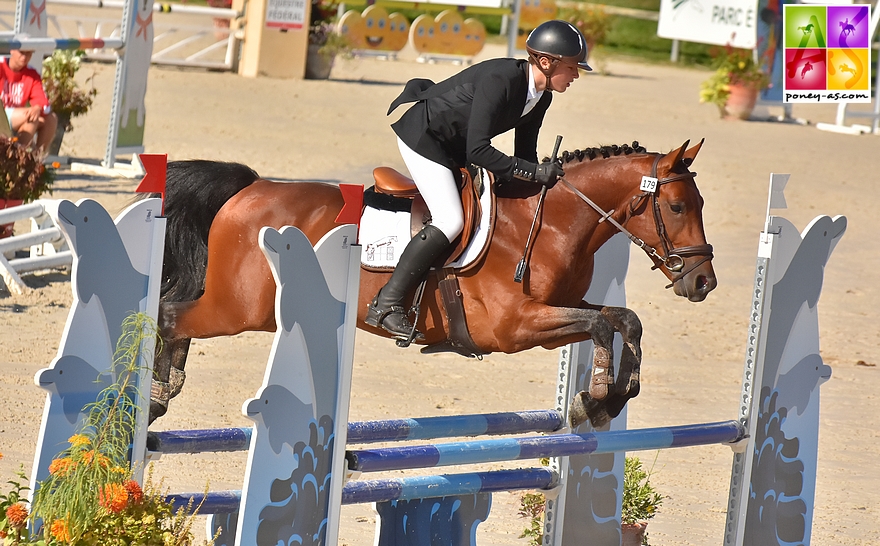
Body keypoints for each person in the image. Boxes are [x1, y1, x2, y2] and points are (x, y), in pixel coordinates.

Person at [365, 19, 591, 341]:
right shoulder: (501, 79)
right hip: (426, 138)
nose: (576, 75)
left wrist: (542, 177)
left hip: (458, 146)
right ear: (546, 62)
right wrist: (531, 172)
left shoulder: (542, 96)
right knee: (450, 219)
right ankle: (386, 303)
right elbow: (479, 150)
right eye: (572, 67)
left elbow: (524, 151)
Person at [0, 49, 58, 155]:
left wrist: (38, 107)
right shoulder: (1, 66)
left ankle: (36, 159)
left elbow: (43, 102)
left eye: (29, 53)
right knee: (30, 116)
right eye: (22, 53)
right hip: (2, 112)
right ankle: (16, 156)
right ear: (12, 51)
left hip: (18, 116)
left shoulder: (31, 74)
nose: (25, 57)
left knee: (50, 119)